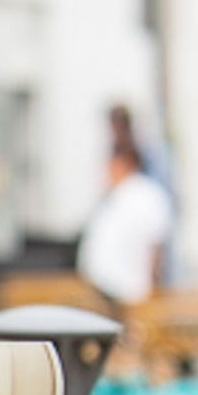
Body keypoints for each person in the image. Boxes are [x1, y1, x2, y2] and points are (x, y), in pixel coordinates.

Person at [79, 130, 174, 311]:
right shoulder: (120, 196)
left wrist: (152, 292)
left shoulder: (144, 195)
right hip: (110, 289)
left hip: (128, 292)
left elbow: (155, 246)